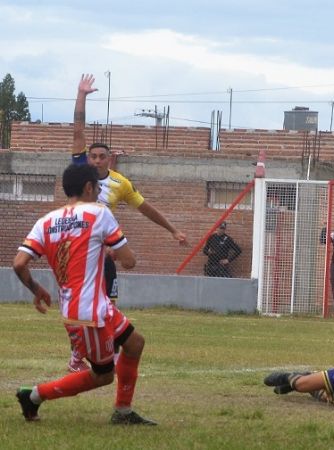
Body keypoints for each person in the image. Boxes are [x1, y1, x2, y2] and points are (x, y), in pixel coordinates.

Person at [12, 163, 156, 425]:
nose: (100, 191)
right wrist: (114, 250)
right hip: (88, 313)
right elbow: (129, 261)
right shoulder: (99, 213)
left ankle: (123, 412)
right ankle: (33, 396)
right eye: (98, 187)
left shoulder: (46, 221)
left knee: (135, 343)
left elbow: (19, 263)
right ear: (89, 187)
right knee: (103, 375)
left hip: (90, 307)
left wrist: (37, 289)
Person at [67, 73, 188, 372]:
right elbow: (78, 130)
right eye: (92, 156)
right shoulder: (79, 169)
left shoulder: (120, 183)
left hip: (104, 252)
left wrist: (173, 230)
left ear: (110, 159)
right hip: (78, 249)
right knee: (80, 306)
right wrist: (81, 95)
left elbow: (145, 208)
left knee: (108, 305)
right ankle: (77, 355)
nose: (95, 160)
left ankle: (106, 353)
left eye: (101, 156)